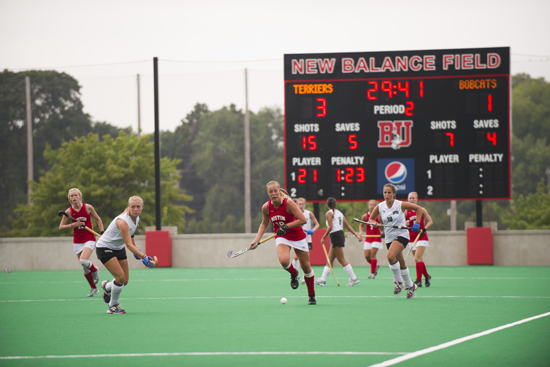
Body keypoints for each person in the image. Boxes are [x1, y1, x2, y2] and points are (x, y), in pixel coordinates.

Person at [249, 181, 317, 305]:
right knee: (284, 261)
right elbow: (264, 224)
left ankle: (311, 295)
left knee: (306, 267)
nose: (274, 193)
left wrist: (286, 226)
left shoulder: (288, 203)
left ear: (279, 190)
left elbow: (302, 220)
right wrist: (256, 240)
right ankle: (294, 273)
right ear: (268, 193)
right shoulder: (266, 207)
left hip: (298, 236)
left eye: (275, 191)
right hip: (282, 237)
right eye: (271, 191)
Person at [369, 183, 433, 299]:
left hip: (402, 235)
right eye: (385, 192)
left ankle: (398, 282)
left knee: (390, 256)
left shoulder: (400, 204)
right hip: (389, 238)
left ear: (393, 194)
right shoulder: (380, 206)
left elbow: (419, 209)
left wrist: (417, 223)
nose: (387, 195)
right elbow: (371, 219)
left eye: (389, 193)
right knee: (402, 263)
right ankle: (411, 286)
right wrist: (376, 224)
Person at [97, 196, 156, 314]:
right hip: (105, 248)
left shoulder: (136, 219)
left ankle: (107, 286)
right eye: (133, 206)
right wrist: (143, 256)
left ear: (142, 207)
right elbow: (128, 245)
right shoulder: (123, 221)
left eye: (138, 206)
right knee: (120, 277)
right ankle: (112, 306)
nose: (135, 209)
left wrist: (136, 249)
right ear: (129, 207)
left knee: (125, 281)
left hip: (118, 248)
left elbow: (131, 234)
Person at [59, 188, 104, 297]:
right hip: (78, 240)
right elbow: (61, 227)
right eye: (71, 196)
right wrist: (72, 225)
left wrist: (102, 232)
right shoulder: (69, 212)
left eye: (75, 195)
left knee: (84, 260)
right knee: (84, 266)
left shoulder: (88, 207)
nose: (74, 197)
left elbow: (98, 219)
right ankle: (94, 288)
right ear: (69, 199)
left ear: (79, 196)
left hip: (89, 238)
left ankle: (95, 270)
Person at [315, 197, 362, 287]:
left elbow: (330, 227)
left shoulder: (328, 213)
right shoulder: (339, 213)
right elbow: (347, 225)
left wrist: (323, 237)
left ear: (327, 204)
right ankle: (323, 280)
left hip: (335, 236)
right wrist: (356, 235)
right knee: (330, 260)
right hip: (339, 235)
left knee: (341, 260)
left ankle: (354, 278)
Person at [405, 192, 432, 287]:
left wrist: (424, 229)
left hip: (421, 237)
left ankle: (418, 280)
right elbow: (402, 223)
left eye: (413, 198)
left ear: (416, 199)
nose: (411, 200)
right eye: (410, 198)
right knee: (419, 259)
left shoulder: (421, 209)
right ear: (408, 199)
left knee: (417, 258)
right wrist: (406, 223)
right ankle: (427, 276)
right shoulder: (406, 211)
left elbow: (430, 221)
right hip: (411, 238)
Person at [293, 197, 320, 283]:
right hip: (296, 239)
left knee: (306, 261)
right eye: (299, 204)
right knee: (296, 257)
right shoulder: (294, 214)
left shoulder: (309, 213)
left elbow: (317, 224)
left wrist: (313, 230)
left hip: (307, 239)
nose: (301, 206)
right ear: (296, 205)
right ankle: (296, 275)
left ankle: (305, 277)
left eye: (302, 204)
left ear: (304, 205)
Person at [358, 200, 383, 279]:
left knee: (372, 254)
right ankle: (375, 266)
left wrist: (382, 229)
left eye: (373, 205)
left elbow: (384, 224)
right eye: (370, 205)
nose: (372, 206)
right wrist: (361, 233)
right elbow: (361, 225)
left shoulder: (379, 216)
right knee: (367, 256)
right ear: (368, 206)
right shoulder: (365, 216)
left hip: (376, 237)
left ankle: (372, 273)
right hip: (368, 238)